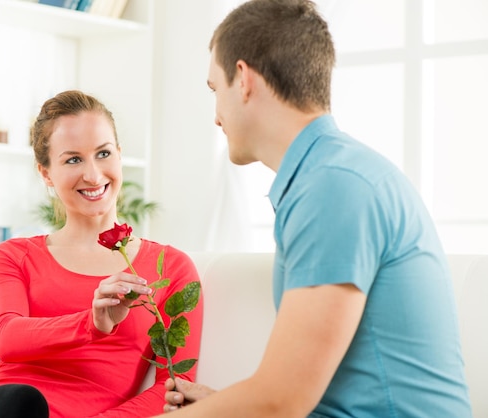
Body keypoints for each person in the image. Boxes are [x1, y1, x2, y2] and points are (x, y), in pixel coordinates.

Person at [159, 0, 472, 416]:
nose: (216, 116)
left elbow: (280, 401)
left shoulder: (334, 185)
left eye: (215, 90)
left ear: (243, 79)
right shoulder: (329, 174)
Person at [0, 90, 204, 418]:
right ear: (46, 173)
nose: (92, 174)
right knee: (15, 404)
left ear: (119, 154)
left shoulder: (170, 269)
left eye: (103, 153)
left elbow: (174, 386)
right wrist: (92, 323)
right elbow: (8, 337)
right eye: (73, 159)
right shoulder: (14, 255)